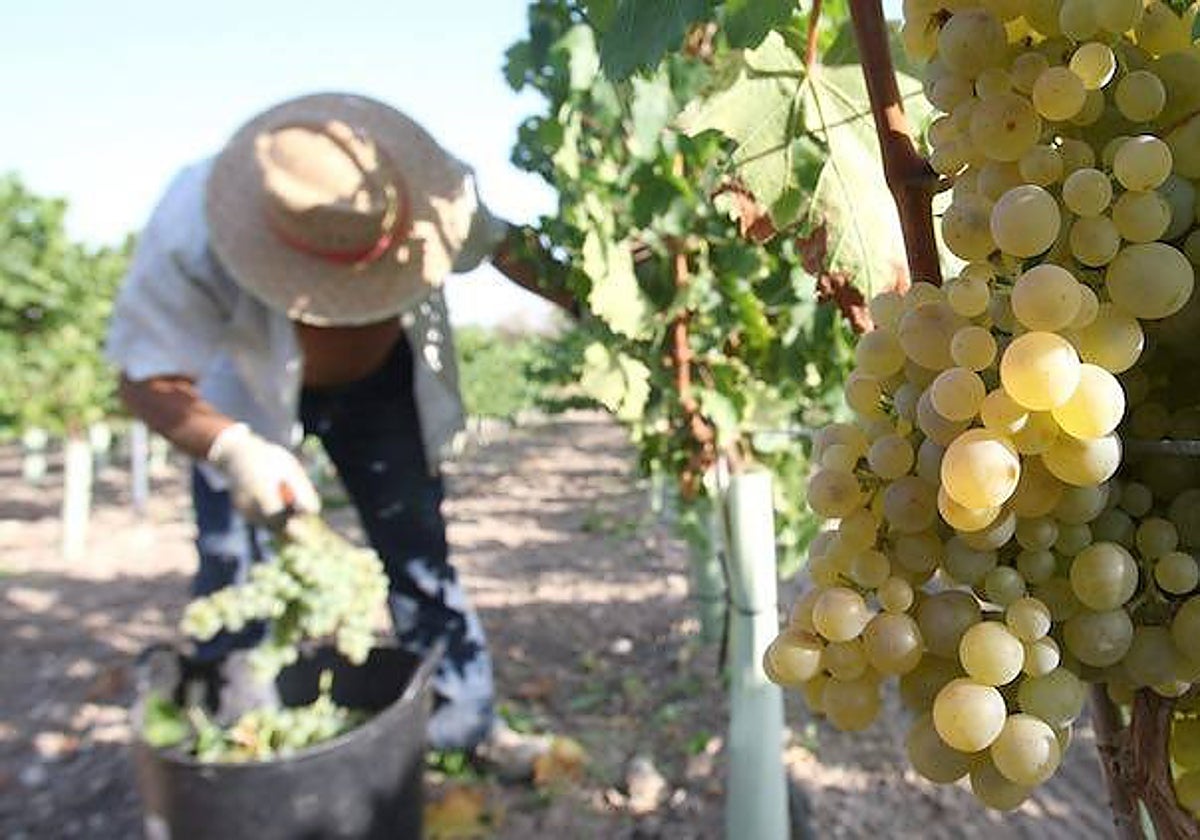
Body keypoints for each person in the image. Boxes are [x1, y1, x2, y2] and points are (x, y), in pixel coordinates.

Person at [106, 92, 571, 751]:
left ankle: (464, 729)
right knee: (233, 563)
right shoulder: (191, 225)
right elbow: (143, 376)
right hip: (241, 395)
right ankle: (242, 738)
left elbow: (511, 250)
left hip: (379, 390)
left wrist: (608, 309)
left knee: (417, 551)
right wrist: (234, 448)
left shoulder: (430, 197)